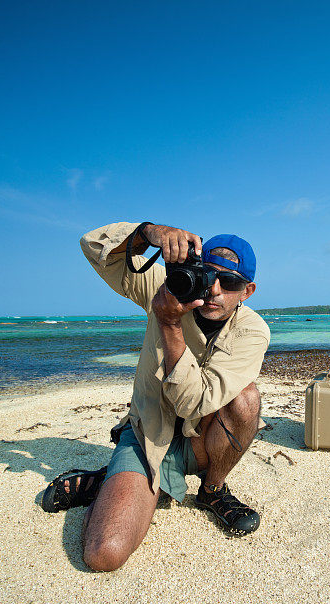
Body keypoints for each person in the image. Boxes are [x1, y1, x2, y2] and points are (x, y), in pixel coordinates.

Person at [42, 221, 270, 572]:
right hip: (148, 432)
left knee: (247, 401)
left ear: (247, 291)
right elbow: (93, 248)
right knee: (106, 553)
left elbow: (193, 403)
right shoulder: (164, 288)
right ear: (194, 269)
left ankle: (212, 490)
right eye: (207, 275)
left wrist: (169, 325)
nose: (215, 290)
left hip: (201, 438)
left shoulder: (252, 330)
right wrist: (146, 233)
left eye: (232, 283)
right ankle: (112, 480)